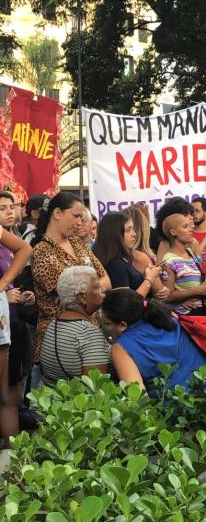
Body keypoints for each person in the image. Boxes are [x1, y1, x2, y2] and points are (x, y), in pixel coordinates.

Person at [31, 192, 111, 373]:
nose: (80, 222)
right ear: (57, 213)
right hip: (61, 336)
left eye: (82, 217)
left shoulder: (77, 243)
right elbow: (70, 292)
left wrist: (92, 287)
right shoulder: (42, 250)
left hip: (91, 329)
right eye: (75, 216)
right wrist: (94, 286)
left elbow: (107, 279)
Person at [102, 288, 206, 395]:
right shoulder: (170, 320)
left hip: (180, 408)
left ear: (122, 325)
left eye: (107, 323)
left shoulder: (121, 347)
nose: (104, 328)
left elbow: (137, 397)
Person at [40, 266, 110, 386]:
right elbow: (96, 388)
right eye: (97, 288)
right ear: (82, 297)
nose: (102, 292)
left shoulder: (53, 324)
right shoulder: (89, 333)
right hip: (77, 403)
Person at [0, 222, 32, 449]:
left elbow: (24, 249)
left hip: (5, 325)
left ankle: (15, 466)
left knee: (8, 396)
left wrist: (3, 283)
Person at [93, 211, 162, 298]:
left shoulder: (122, 258)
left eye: (133, 229)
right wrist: (149, 280)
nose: (134, 234)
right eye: (128, 230)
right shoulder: (115, 264)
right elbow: (126, 305)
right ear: (115, 234)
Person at [162, 213, 206, 315]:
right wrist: (197, 291)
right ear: (173, 232)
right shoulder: (169, 261)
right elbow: (168, 296)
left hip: (199, 312)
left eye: (190, 226)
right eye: (185, 226)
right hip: (184, 318)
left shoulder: (189, 252)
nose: (191, 229)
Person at [154, 197, 201, 262]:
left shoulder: (193, 243)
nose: (191, 217)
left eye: (190, 213)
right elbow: (160, 269)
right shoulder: (165, 244)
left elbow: (199, 270)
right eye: (186, 214)